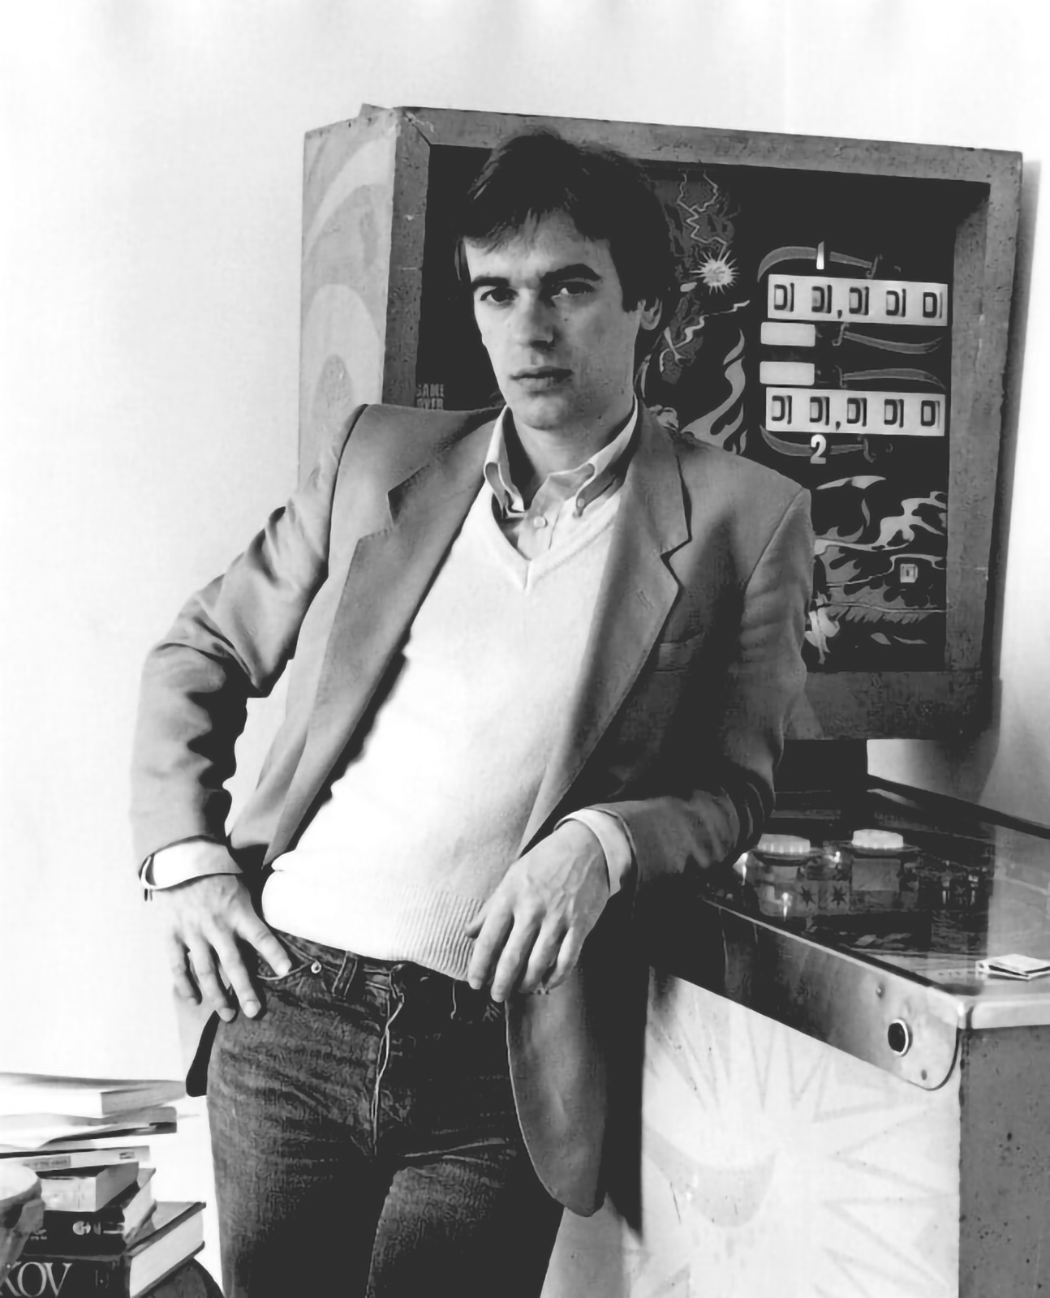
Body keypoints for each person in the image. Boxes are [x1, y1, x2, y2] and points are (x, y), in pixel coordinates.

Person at [131, 130, 813, 1298]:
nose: (529, 328)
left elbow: (737, 789)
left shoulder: (748, 518)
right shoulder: (378, 457)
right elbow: (202, 647)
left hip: (499, 1052)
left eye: (569, 288)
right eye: (497, 292)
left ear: (647, 304)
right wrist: (184, 860)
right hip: (288, 1010)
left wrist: (601, 842)